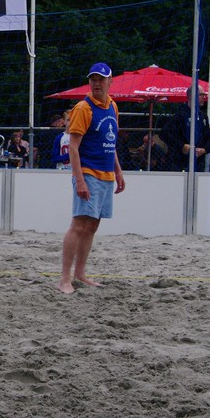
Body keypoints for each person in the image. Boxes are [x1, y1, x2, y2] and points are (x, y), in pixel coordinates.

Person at [58, 62, 126, 295]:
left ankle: (80, 274)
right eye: (93, 79)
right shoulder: (83, 108)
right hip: (88, 172)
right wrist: (80, 180)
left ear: (110, 81)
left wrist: (118, 171)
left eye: (101, 79)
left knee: (92, 226)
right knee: (79, 225)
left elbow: (110, 143)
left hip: (106, 174)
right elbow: (73, 148)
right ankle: (64, 279)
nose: (97, 83)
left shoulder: (113, 106)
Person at [158, 85, 210, 172]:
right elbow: (164, 133)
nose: (204, 97)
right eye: (201, 95)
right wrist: (182, 146)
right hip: (179, 163)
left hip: (198, 164)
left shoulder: (203, 117)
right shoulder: (181, 115)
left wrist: (204, 150)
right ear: (191, 96)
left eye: (204, 95)